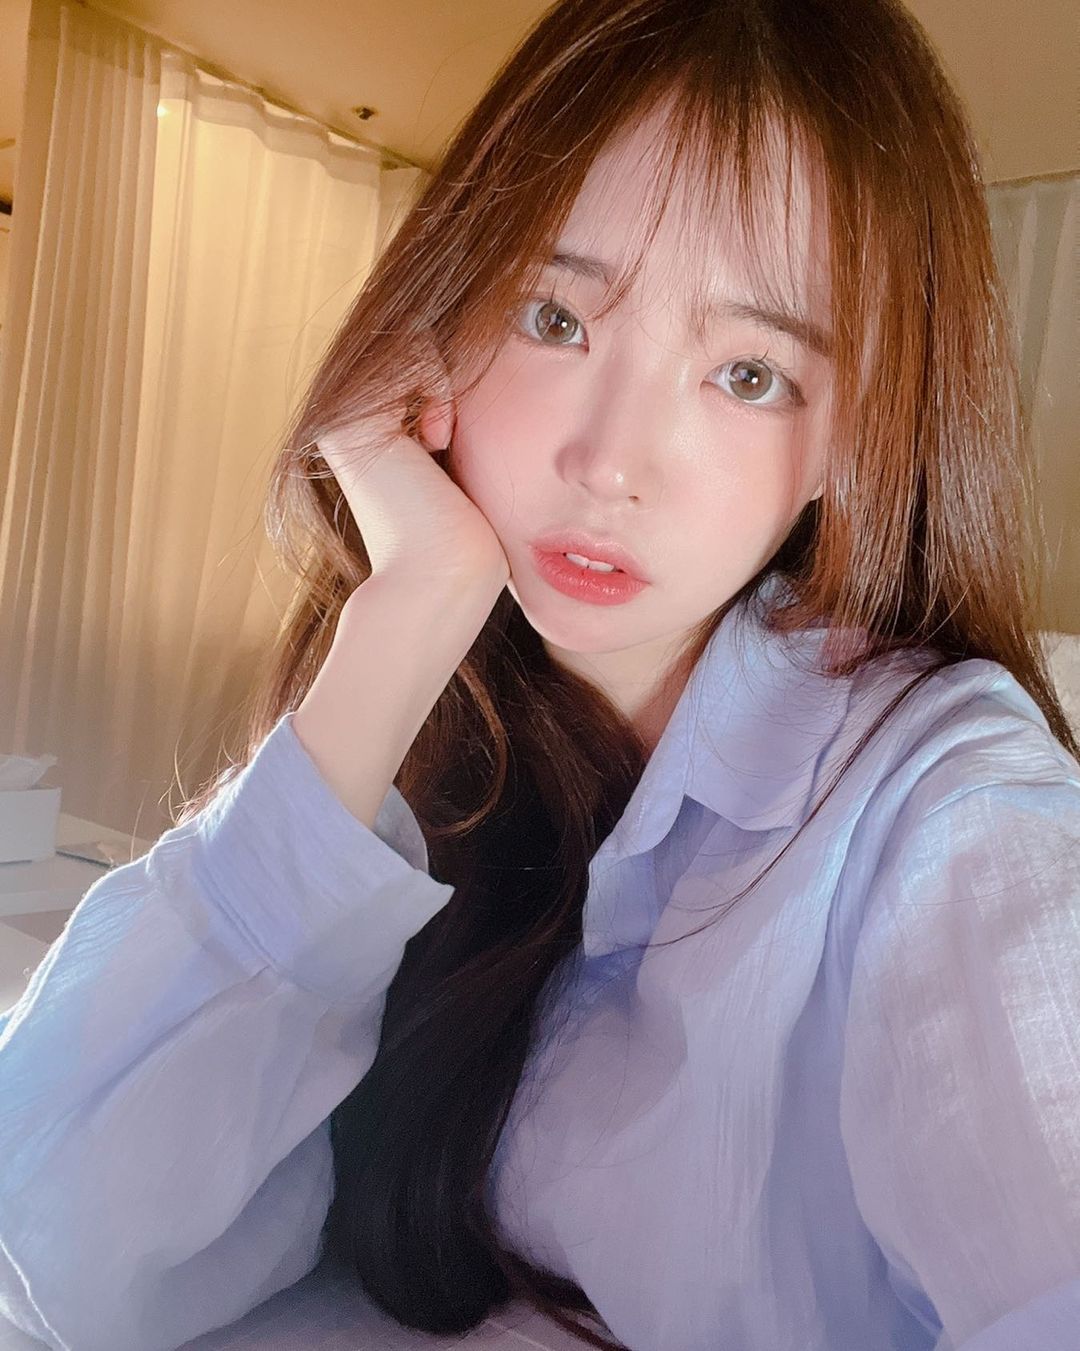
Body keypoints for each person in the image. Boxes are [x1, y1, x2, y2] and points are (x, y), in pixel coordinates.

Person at [1, 0, 1078, 1347]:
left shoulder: (940, 806)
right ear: (438, 325)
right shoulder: (453, 744)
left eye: (750, 375)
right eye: (552, 315)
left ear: (845, 445)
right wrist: (403, 624)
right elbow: (52, 1252)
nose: (611, 462)